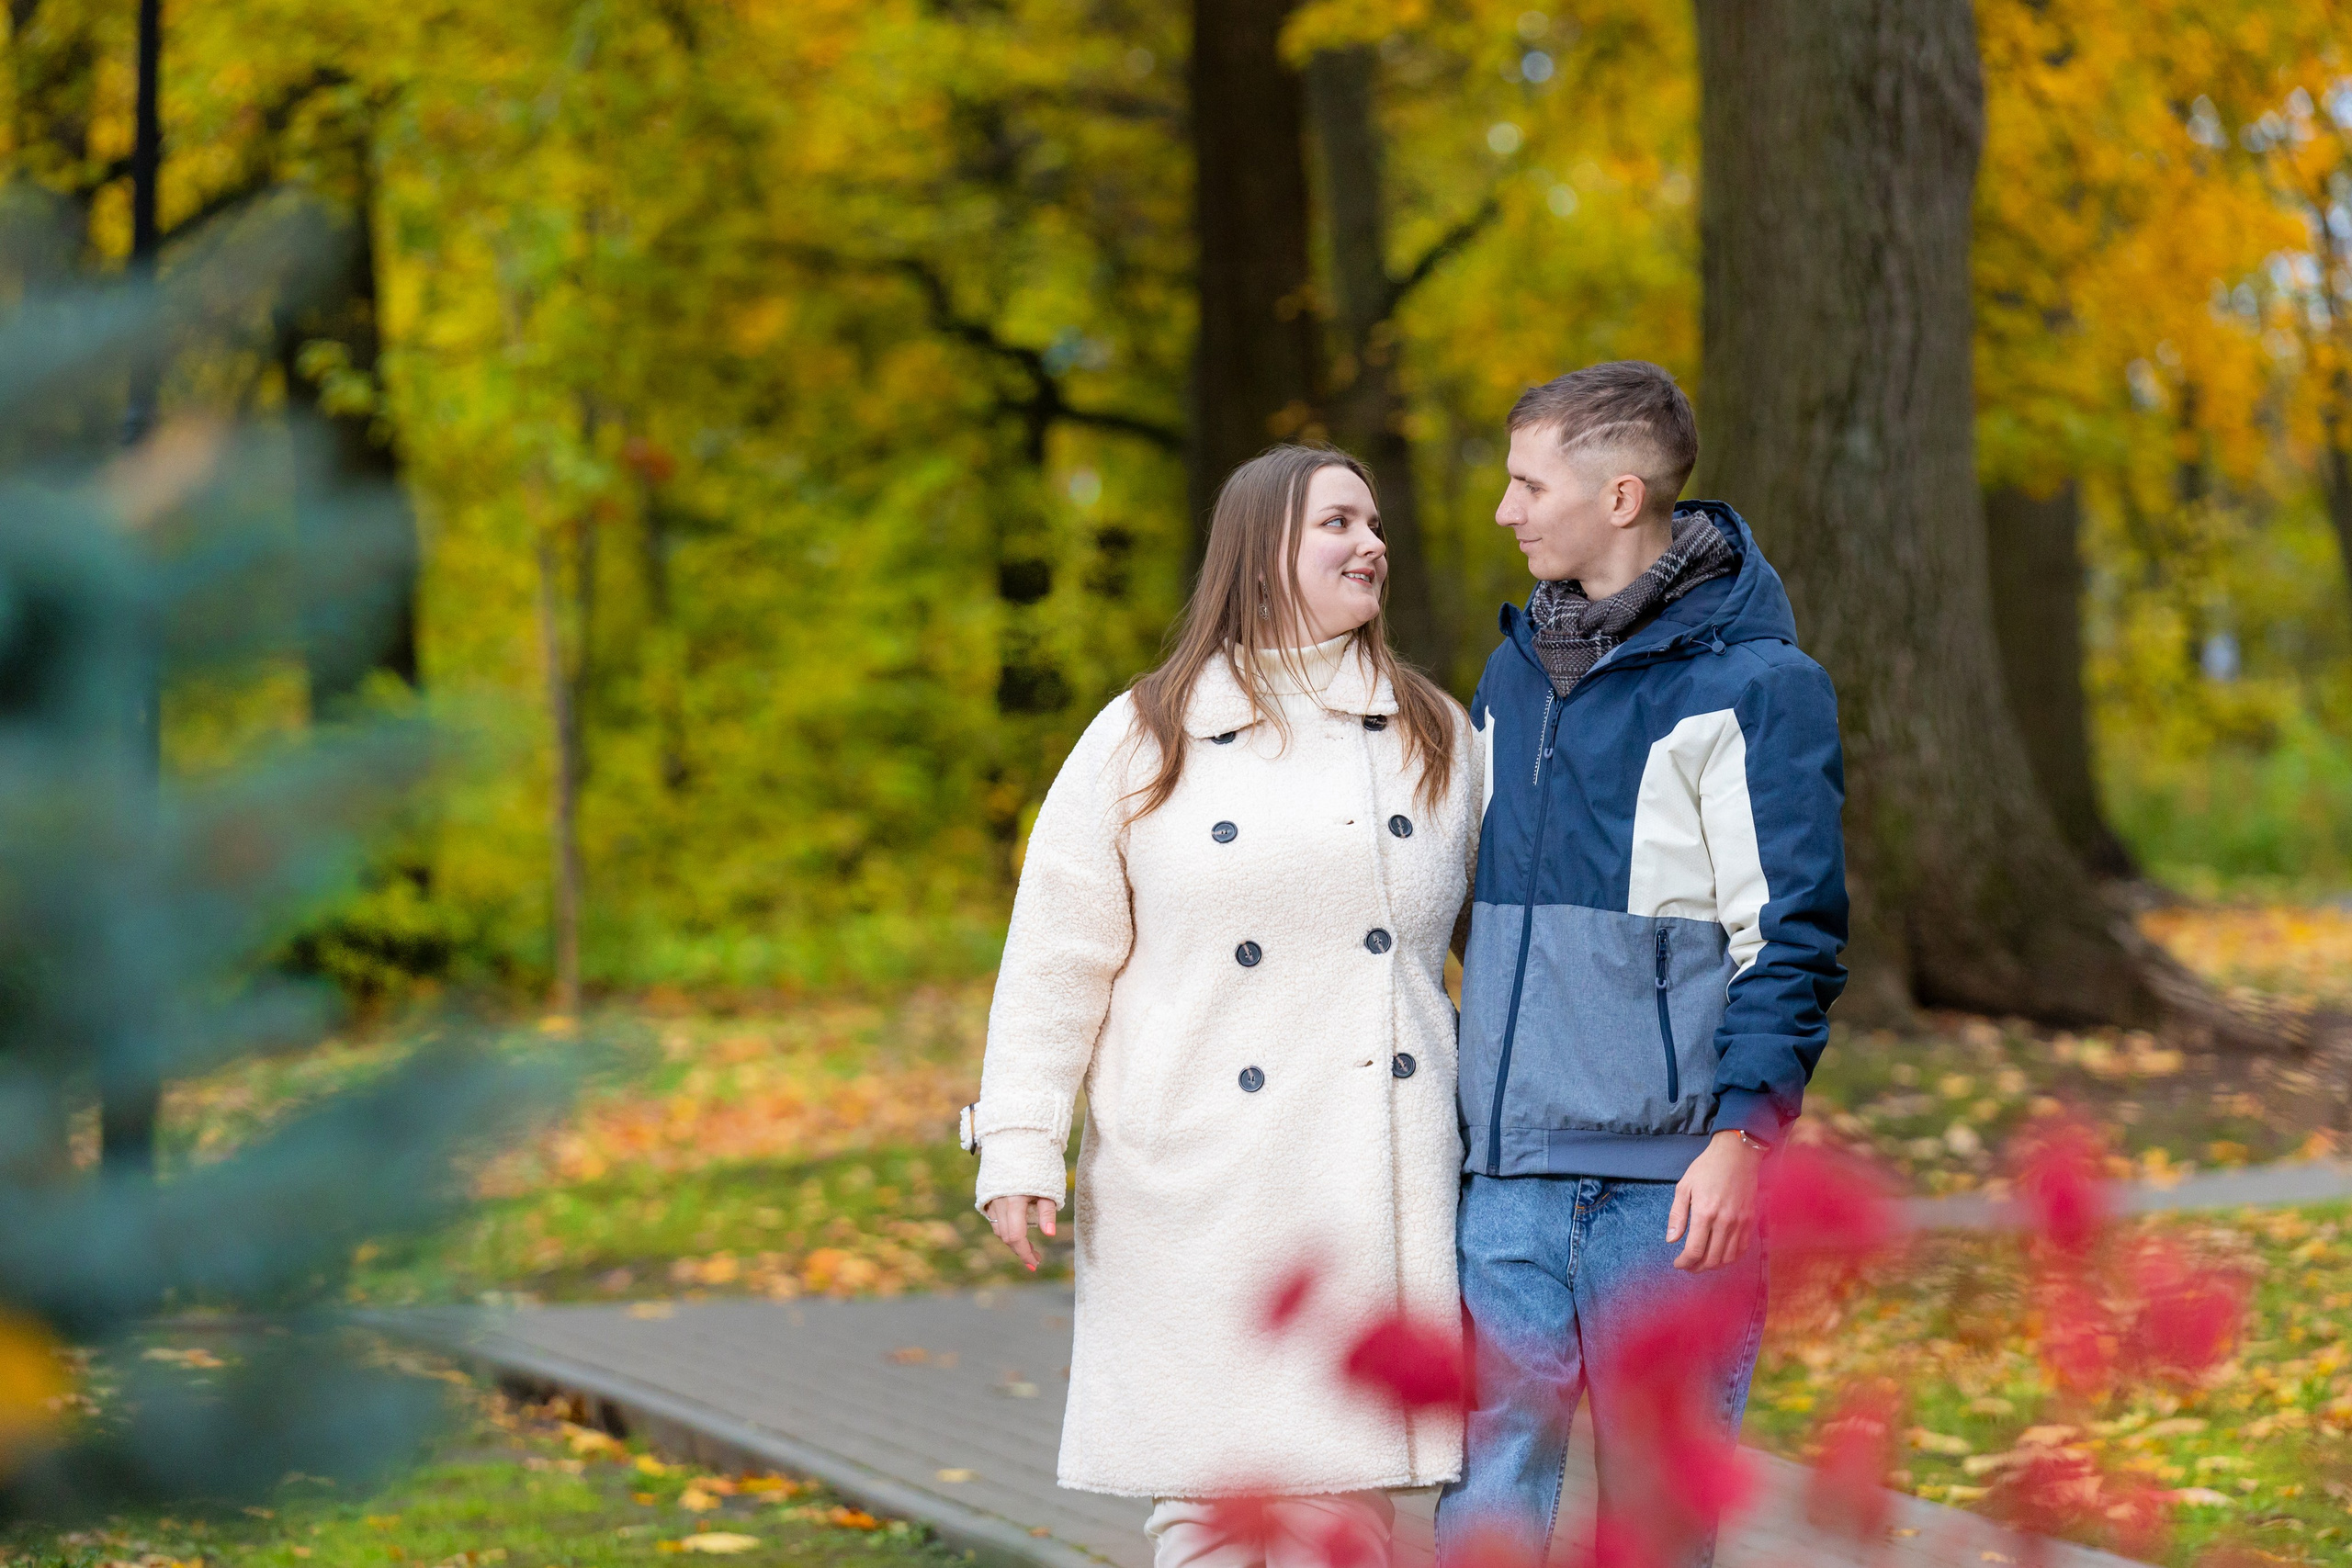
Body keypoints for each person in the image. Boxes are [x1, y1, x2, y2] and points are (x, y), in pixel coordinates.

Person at [966, 443, 1482, 1568]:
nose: (1373, 545)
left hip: (1370, 1161)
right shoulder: (1145, 731)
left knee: (1342, 1506)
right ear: (1260, 550)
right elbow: (1057, 953)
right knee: (1206, 1502)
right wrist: (1018, 1144)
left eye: (1376, 524)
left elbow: (1507, 950)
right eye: (1338, 524)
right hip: (1192, 1166)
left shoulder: (1438, 733)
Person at [1436, 362, 1849, 1568]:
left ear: (1620, 495)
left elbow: (1795, 934)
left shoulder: (1760, 689)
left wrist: (1740, 1135)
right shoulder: (1512, 671)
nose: (1507, 508)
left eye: (1527, 481)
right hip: (1504, 1172)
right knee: (1488, 1491)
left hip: (1670, 1192)